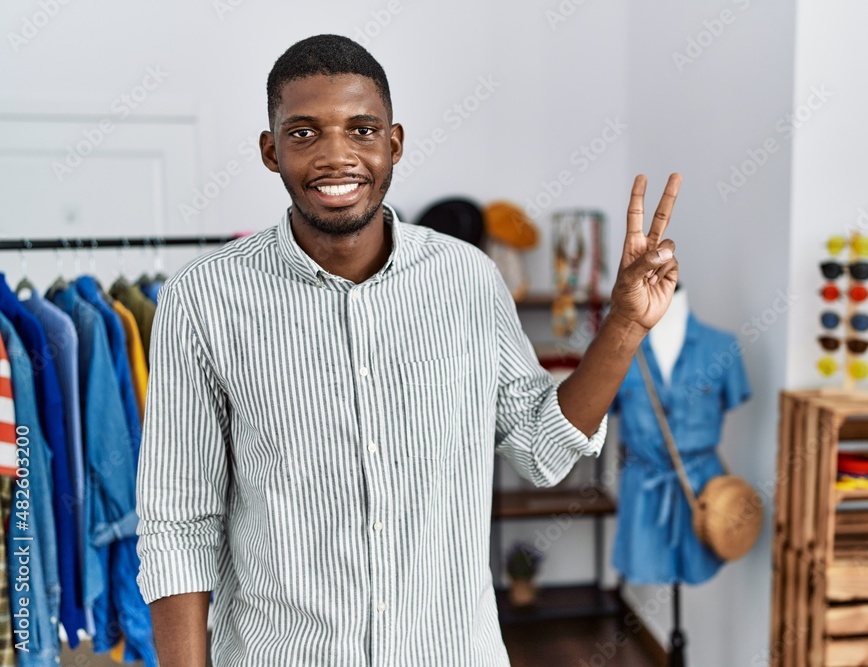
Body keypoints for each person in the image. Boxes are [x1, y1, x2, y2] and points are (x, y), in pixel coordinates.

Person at [135, 33, 682, 667]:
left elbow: (540, 449)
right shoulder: (201, 299)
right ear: (270, 150)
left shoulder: (467, 279)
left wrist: (623, 326)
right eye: (305, 133)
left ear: (394, 142)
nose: (336, 156)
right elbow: (180, 524)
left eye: (362, 130)